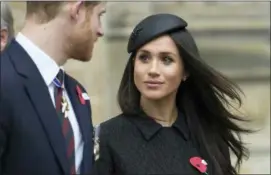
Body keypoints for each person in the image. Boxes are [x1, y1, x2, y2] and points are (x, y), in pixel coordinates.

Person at [93, 14, 251, 175]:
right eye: (144, 58)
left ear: (185, 71)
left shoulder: (207, 135)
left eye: (166, 59)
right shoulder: (108, 137)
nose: (153, 70)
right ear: (134, 65)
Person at [0, 1, 105, 175]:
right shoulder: (5, 79)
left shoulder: (78, 95)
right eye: (99, 15)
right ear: (77, 10)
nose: (101, 30)